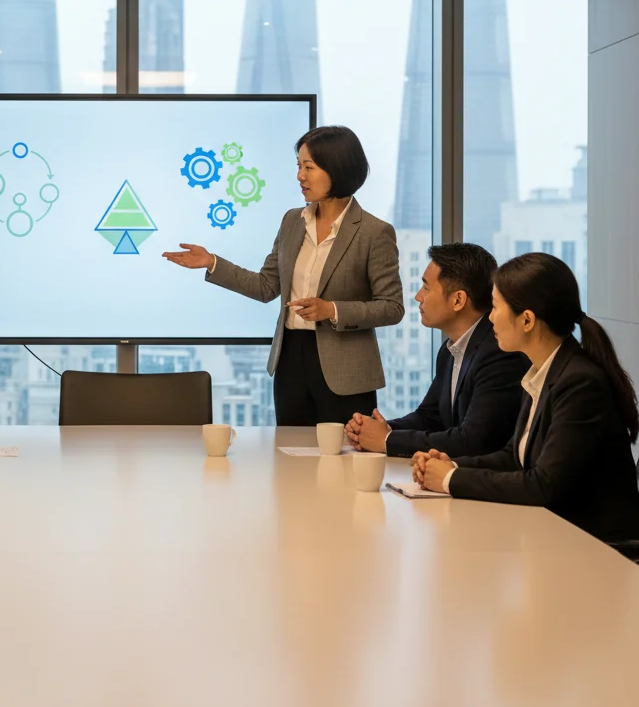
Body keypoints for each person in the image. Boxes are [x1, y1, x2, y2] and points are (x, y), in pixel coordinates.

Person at [164, 125, 403, 425]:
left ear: (337, 168)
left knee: (346, 461)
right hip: (290, 360)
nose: (300, 176)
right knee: (291, 457)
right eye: (299, 166)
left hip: (347, 370)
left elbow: (392, 307)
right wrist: (212, 262)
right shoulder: (292, 221)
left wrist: (331, 310)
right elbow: (266, 286)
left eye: (309, 167)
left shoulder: (374, 232)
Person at [412, 253, 639, 543]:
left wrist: (449, 479)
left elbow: (542, 485)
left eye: (495, 307)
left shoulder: (579, 382)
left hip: (595, 547)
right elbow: (514, 457)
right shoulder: (542, 370)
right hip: (553, 534)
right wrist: (451, 465)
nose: (490, 317)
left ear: (527, 320)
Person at [345, 242, 529, 457]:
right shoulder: (450, 349)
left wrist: (387, 440)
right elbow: (431, 417)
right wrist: (373, 430)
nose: (418, 297)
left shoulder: (499, 353)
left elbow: (474, 441)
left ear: (458, 300)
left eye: (426, 287)